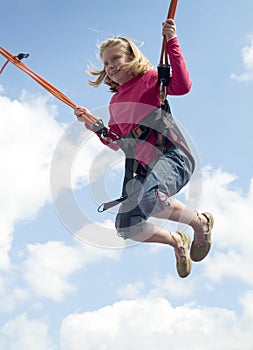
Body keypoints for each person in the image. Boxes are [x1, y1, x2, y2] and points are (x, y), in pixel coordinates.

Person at [75, 19, 214, 278]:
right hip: (146, 170)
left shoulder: (151, 80)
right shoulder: (115, 101)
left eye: (115, 58)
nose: (110, 66)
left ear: (131, 58)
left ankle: (200, 223)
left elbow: (183, 86)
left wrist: (172, 41)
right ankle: (176, 241)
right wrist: (94, 127)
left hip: (173, 156)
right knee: (127, 226)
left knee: (152, 199)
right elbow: (117, 142)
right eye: (106, 63)